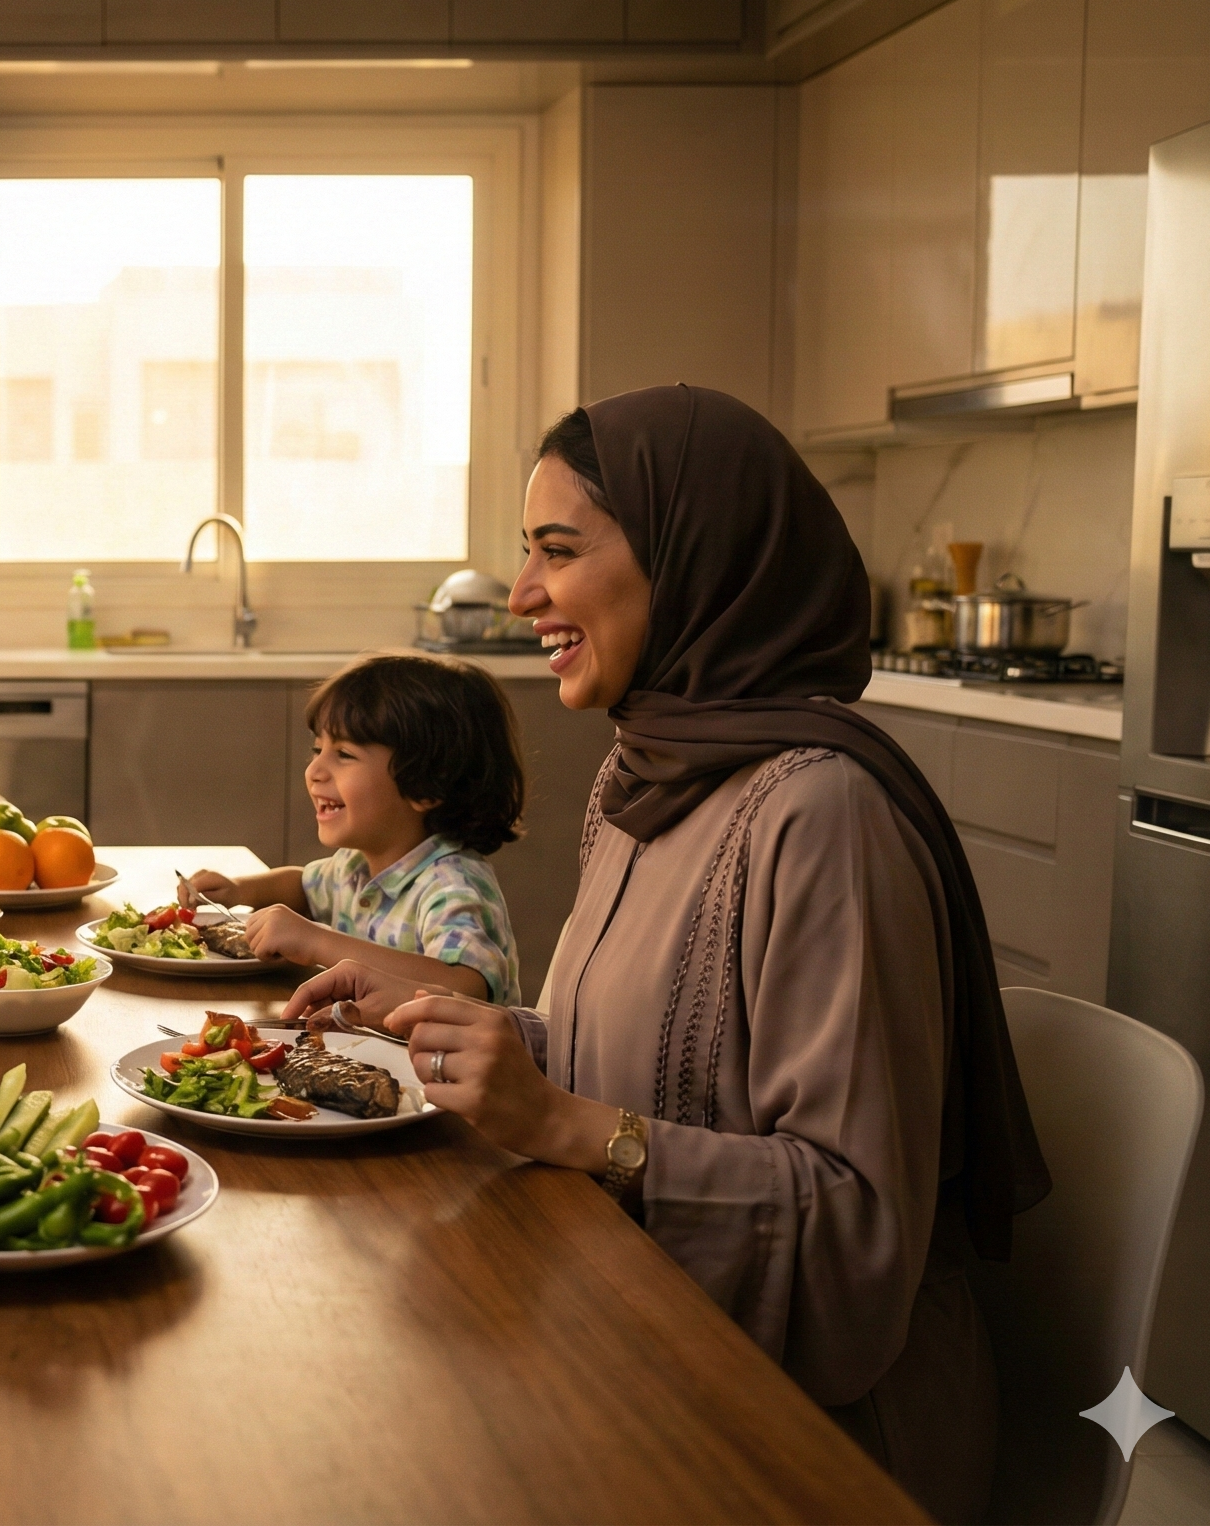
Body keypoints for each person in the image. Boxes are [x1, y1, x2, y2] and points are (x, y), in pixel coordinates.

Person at [287, 385, 1050, 1523]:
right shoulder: (640, 778)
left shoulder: (819, 814)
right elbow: (638, 1063)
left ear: (696, 558)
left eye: (559, 549)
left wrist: (554, 1123)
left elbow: (851, 1225)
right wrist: (442, 1024)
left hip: (806, 1437)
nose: (525, 592)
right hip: (644, 1319)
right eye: (524, 553)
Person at [176, 653, 524, 1003]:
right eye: (317, 749)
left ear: (426, 784)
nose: (315, 771)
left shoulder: (451, 886)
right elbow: (304, 887)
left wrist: (318, 941)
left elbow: (465, 988)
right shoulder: (356, 865)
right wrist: (239, 890)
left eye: (344, 754)